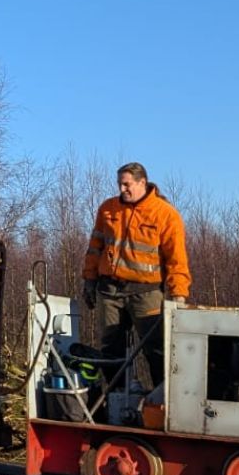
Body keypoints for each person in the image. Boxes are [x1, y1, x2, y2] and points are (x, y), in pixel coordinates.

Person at [79, 162, 191, 394]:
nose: (122, 189)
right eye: (120, 184)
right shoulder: (108, 209)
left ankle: (161, 400)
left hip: (147, 292)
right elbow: (94, 248)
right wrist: (89, 280)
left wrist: (178, 295)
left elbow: (176, 259)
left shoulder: (165, 214)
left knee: (156, 349)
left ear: (142, 183)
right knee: (110, 348)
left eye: (127, 184)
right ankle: (116, 398)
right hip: (110, 290)